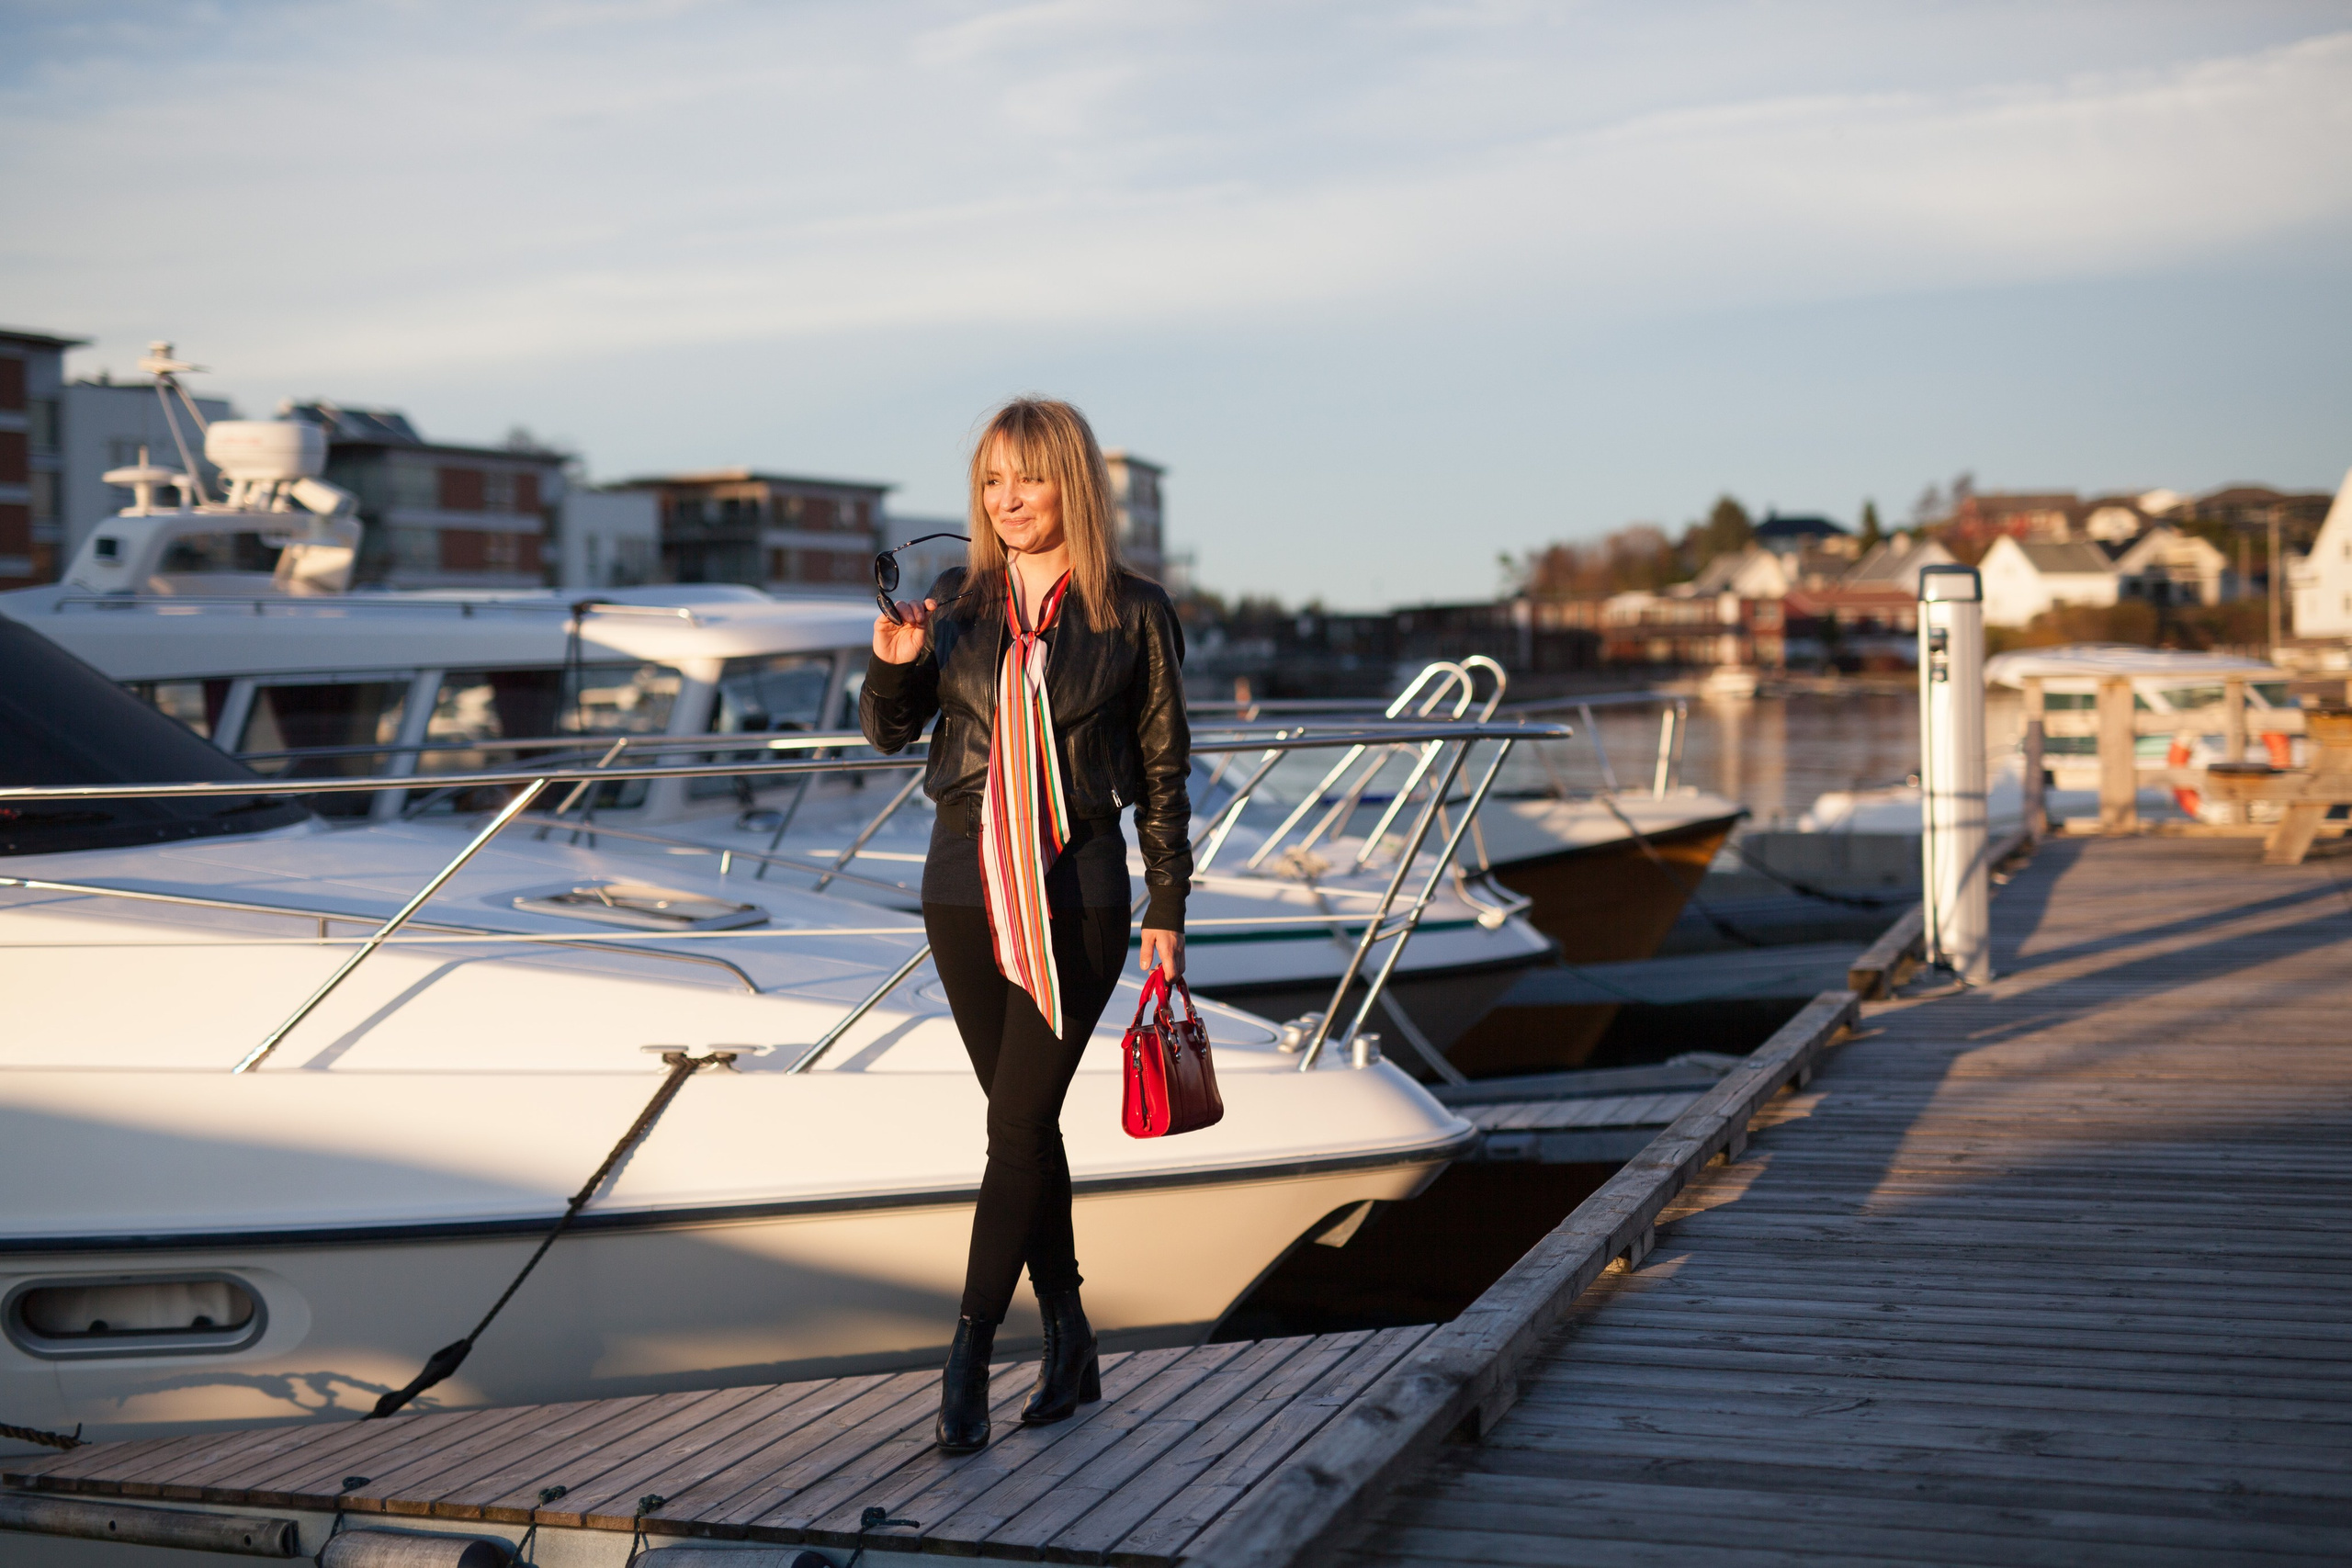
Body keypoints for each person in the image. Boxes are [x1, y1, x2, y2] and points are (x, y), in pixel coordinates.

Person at [862, 397, 1191, 1453]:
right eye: (993, 482)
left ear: (1072, 486)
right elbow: (888, 733)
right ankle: (1069, 1335)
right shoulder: (959, 604)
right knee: (1024, 1123)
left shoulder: (1133, 611)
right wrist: (893, 660)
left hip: (1078, 886)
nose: (1008, 502)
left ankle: (964, 1358)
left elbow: (1163, 771)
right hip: (961, 880)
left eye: (1029, 480)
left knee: (1012, 1126)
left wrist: (1167, 903)